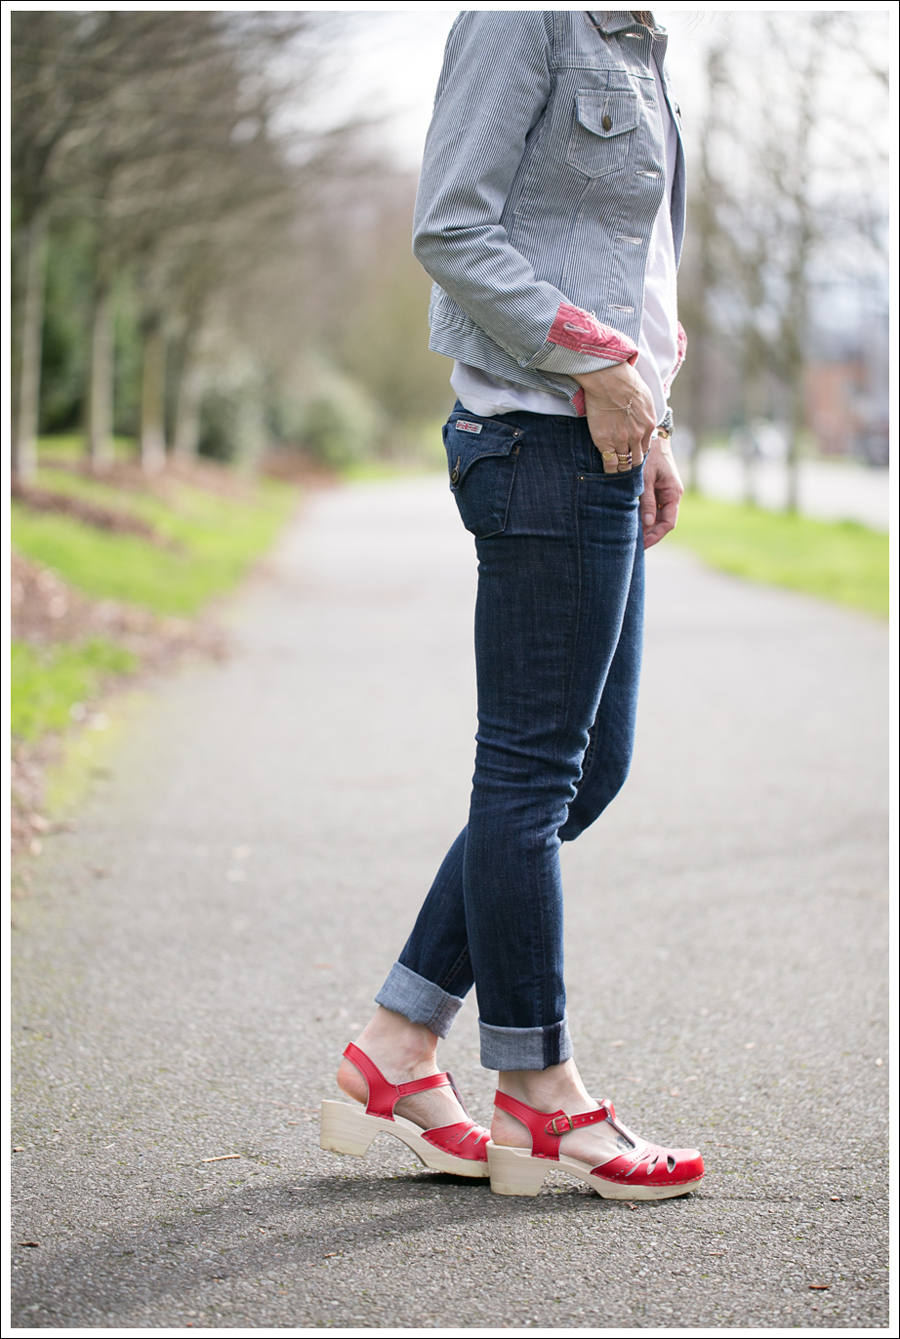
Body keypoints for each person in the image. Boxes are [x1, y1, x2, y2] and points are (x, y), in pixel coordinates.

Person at [320, 9, 704, 1200]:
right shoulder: (521, 18)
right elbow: (452, 226)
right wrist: (597, 363)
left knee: (587, 770)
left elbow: (627, 259)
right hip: (536, 439)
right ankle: (539, 1091)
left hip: (604, 443)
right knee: (533, 773)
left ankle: (395, 1046)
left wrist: (651, 420)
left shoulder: (639, 40)